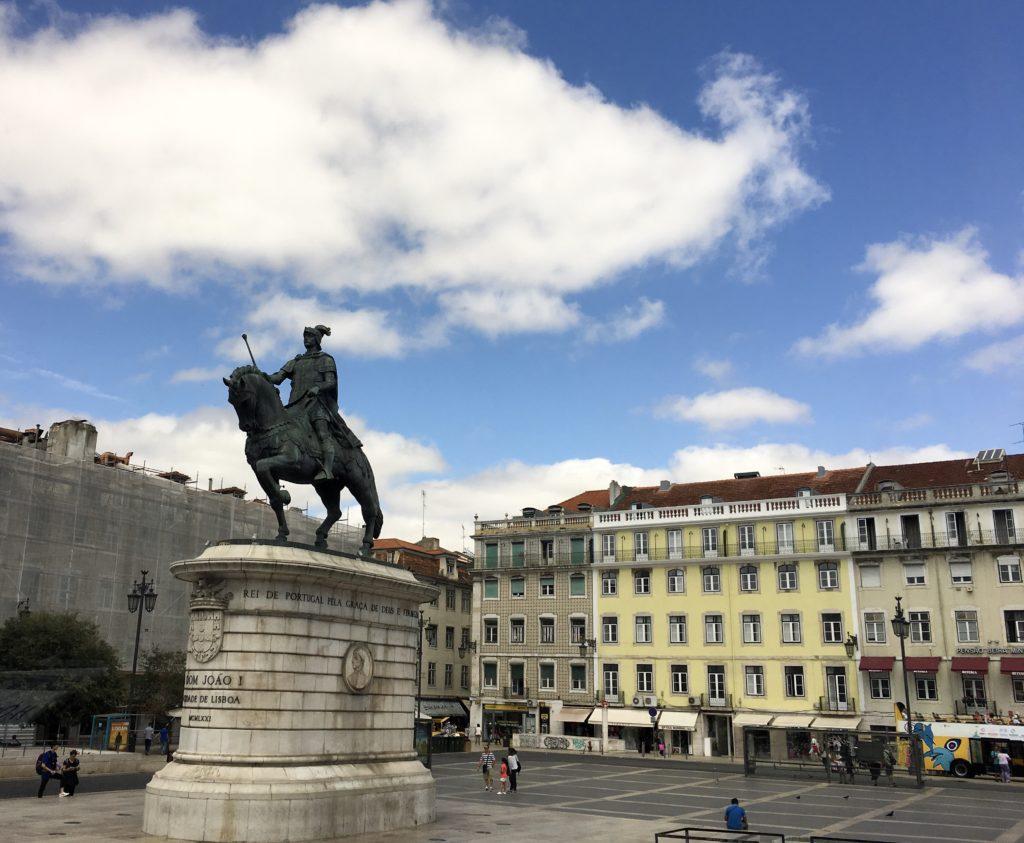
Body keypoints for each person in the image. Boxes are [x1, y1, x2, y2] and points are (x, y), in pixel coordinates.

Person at [265, 325, 362, 482]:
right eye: (304, 337)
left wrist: (318, 387)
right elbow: (277, 378)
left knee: (322, 431)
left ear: (317, 339)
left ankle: (328, 469)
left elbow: (331, 382)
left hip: (317, 405)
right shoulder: (296, 361)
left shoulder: (325, 359)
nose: (306, 339)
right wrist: (262, 377)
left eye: (309, 337)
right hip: (295, 406)